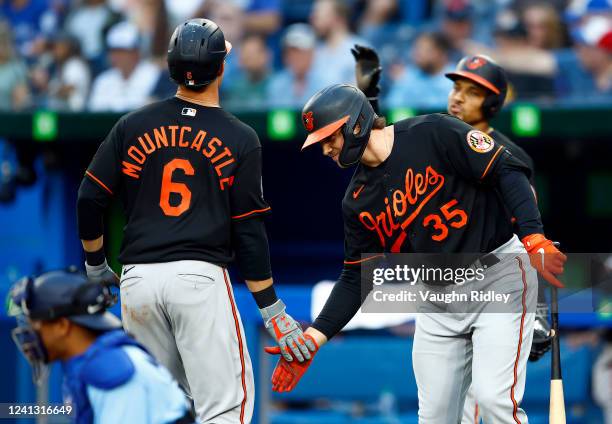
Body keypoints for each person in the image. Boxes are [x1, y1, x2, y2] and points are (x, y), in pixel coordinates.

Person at [266, 82, 567, 423]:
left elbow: (506, 169)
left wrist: (533, 236)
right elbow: (357, 278)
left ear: (355, 123)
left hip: (496, 276)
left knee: (494, 400)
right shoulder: (357, 200)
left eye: (329, 138)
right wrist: (314, 337)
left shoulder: (432, 132)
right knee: (436, 417)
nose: (325, 150)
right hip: (437, 298)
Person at [76, 18, 314, 424]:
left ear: (171, 67)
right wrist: (273, 311)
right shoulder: (240, 136)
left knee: (153, 409)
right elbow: (249, 232)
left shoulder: (132, 124)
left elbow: (89, 197)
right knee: (224, 407)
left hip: (138, 280)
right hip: (198, 278)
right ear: (221, 68)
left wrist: (96, 265)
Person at [442, 54, 555, 423]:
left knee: (487, 402)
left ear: (491, 103)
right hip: (446, 286)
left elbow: (528, 232)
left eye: (471, 92)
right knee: (452, 409)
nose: (458, 97)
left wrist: (536, 308)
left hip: (497, 283)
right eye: (456, 88)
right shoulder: (432, 142)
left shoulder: (510, 158)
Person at [7, 269, 194, 424]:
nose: (29, 333)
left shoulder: (110, 368)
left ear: (62, 326)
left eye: (35, 325)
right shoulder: (89, 361)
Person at [88, 21, 160, 112]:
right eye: (114, 51)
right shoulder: (103, 80)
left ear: (136, 53)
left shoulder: (155, 75)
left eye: (122, 52)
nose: (116, 56)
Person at [385, 32, 454, 109]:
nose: (418, 54)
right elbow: (392, 108)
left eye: (425, 50)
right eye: (417, 49)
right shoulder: (406, 77)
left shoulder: (455, 79)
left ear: (441, 53)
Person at [267, 23, 325, 108]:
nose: (295, 57)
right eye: (290, 52)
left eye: (300, 52)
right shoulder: (276, 84)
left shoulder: (325, 85)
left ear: (311, 54)